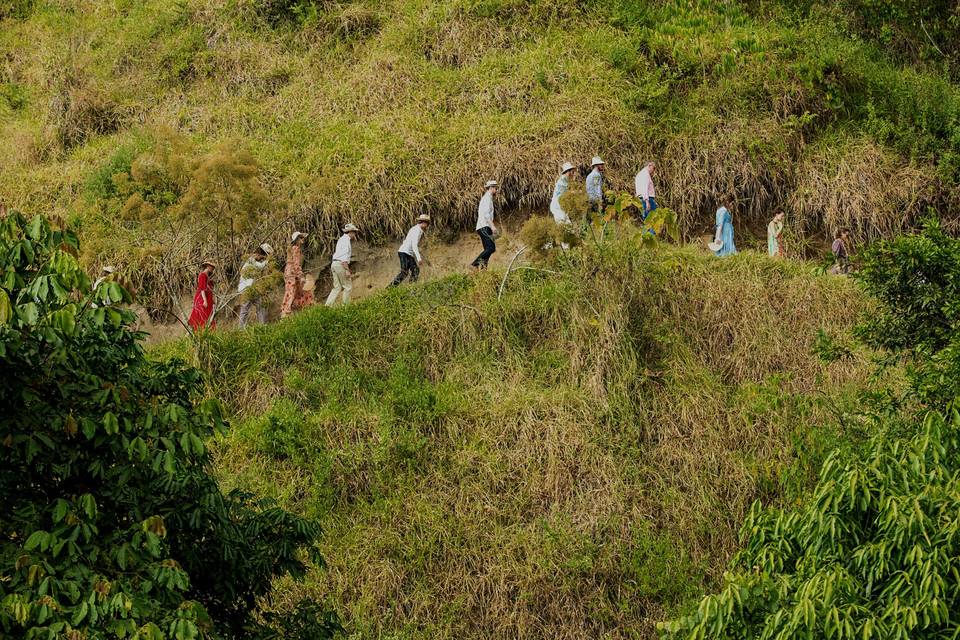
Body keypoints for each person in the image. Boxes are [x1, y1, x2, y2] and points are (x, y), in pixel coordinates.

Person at [238, 243, 274, 327]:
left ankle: (263, 326)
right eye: (262, 256)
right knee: (245, 309)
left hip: (253, 288)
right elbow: (260, 266)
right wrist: (268, 259)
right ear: (259, 253)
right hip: (246, 289)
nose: (262, 258)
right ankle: (241, 330)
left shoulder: (252, 260)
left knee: (261, 306)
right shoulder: (251, 259)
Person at [392, 214, 431, 286]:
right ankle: (390, 288)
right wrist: (419, 258)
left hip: (408, 253)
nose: (427, 225)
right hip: (404, 252)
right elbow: (414, 245)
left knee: (415, 270)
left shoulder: (419, 230)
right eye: (427, 223)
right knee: (404, 272)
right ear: (422, 222)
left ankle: (411, 286)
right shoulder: (416, 230)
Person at [326, 223, 359, 306]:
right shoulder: (346, 241)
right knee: (348, 286)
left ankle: (327, 306)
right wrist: (347, 270)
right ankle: (345, 307)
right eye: (354, 232)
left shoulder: (341, 239)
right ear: (350, 232)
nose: (355, 234)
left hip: (334, 264)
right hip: (341, 264)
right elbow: (344, 258)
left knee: (337, 287)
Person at [281, 232, 312, 318]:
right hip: (292, 273)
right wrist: (301, 275)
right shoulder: (295, 248)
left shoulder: (291, 248)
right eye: (301, 238)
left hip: (289, 272)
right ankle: (286, 315)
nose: (303, 239)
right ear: (297, 239)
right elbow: (296, 263)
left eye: (303, 238)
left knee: (295, 292)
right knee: (292, 292)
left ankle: (293, 313)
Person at [471, 180, 499, 270]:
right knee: (491, 248)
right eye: (495, 188)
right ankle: (475, 264)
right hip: (484, 226)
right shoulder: (487, 198)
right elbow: (487, 215)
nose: (496, 190)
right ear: (491, 188)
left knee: (488, 249)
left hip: (484, 226)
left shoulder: (488, 198)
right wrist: (493, 227)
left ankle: (483, 270)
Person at [188, 260, 216, 331]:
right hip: (202, 298)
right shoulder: (202, 275)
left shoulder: (208, 276)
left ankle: (207, 331)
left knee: (208, 315)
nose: (212, 268)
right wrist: (205, 301)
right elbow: (202, 289)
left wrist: (212, 299)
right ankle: (199, 331)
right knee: (202, 315)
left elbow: (210, 289)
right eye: (211, 266)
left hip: (208, 298)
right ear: (207, 266)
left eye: (213, 267)